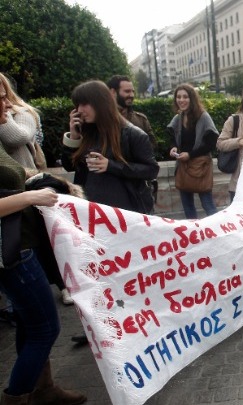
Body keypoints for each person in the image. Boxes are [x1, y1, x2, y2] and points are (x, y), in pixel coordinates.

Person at [0, 88, 87, 404]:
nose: (9, 103)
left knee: (28, 322)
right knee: (46, 328)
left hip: (20, 242)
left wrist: (41, 179)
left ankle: (43, 387)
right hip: (11, 251)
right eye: (1, 99)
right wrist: (31, 196)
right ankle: (17, 395)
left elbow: (14, 174)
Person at [62, 81, 159, 214]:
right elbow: (70, 166)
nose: (79, 110)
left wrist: (111, 166)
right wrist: (73, 137)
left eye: (84, 104)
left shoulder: (132, 134)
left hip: (125, 213)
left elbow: (151, 170)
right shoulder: (87, 132)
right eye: (77, 105)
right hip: (90, 210)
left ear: (100, 103)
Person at [167, 84, 219, 219]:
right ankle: (195, 237)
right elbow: (173, 137)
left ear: (192, 98)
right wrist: (173, 148)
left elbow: (212, 143)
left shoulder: (203, 117)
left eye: (185, 96)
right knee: (188, 207)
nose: (181, 100)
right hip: (183, 167)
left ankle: (218, 233)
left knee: (208, 205)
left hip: (200, 167)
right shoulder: (178, 118)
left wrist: (190, 155)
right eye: (178, 97)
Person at [106, 75, 159, 203]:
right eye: (127, 91)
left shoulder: (141, 119)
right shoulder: (103, 122)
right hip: (114, 190)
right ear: (112, 92)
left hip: (139, 189)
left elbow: (151, 149)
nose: (131, 95)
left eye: (133, 91)